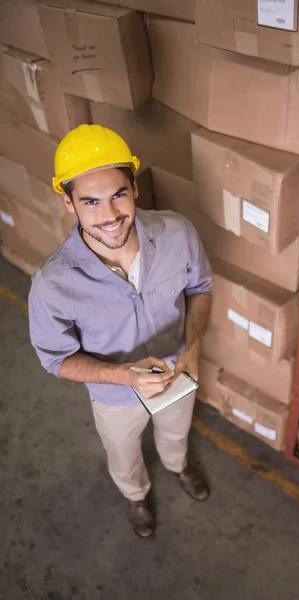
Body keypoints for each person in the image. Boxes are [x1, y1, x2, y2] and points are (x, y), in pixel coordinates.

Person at [28, 125, 212, 538]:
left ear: (135, 188)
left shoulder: (177, 234)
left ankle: (178, 466)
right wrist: (124, 376)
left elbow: (200, 289)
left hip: (177, 371)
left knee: (176, 431)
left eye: (118, 195)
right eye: (90, 202)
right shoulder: (53, 281)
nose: (109, 216)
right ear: (68, 202)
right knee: (123, 452)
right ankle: (136, 495)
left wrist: (195, 346)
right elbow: (56, 359)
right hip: (114, 395)